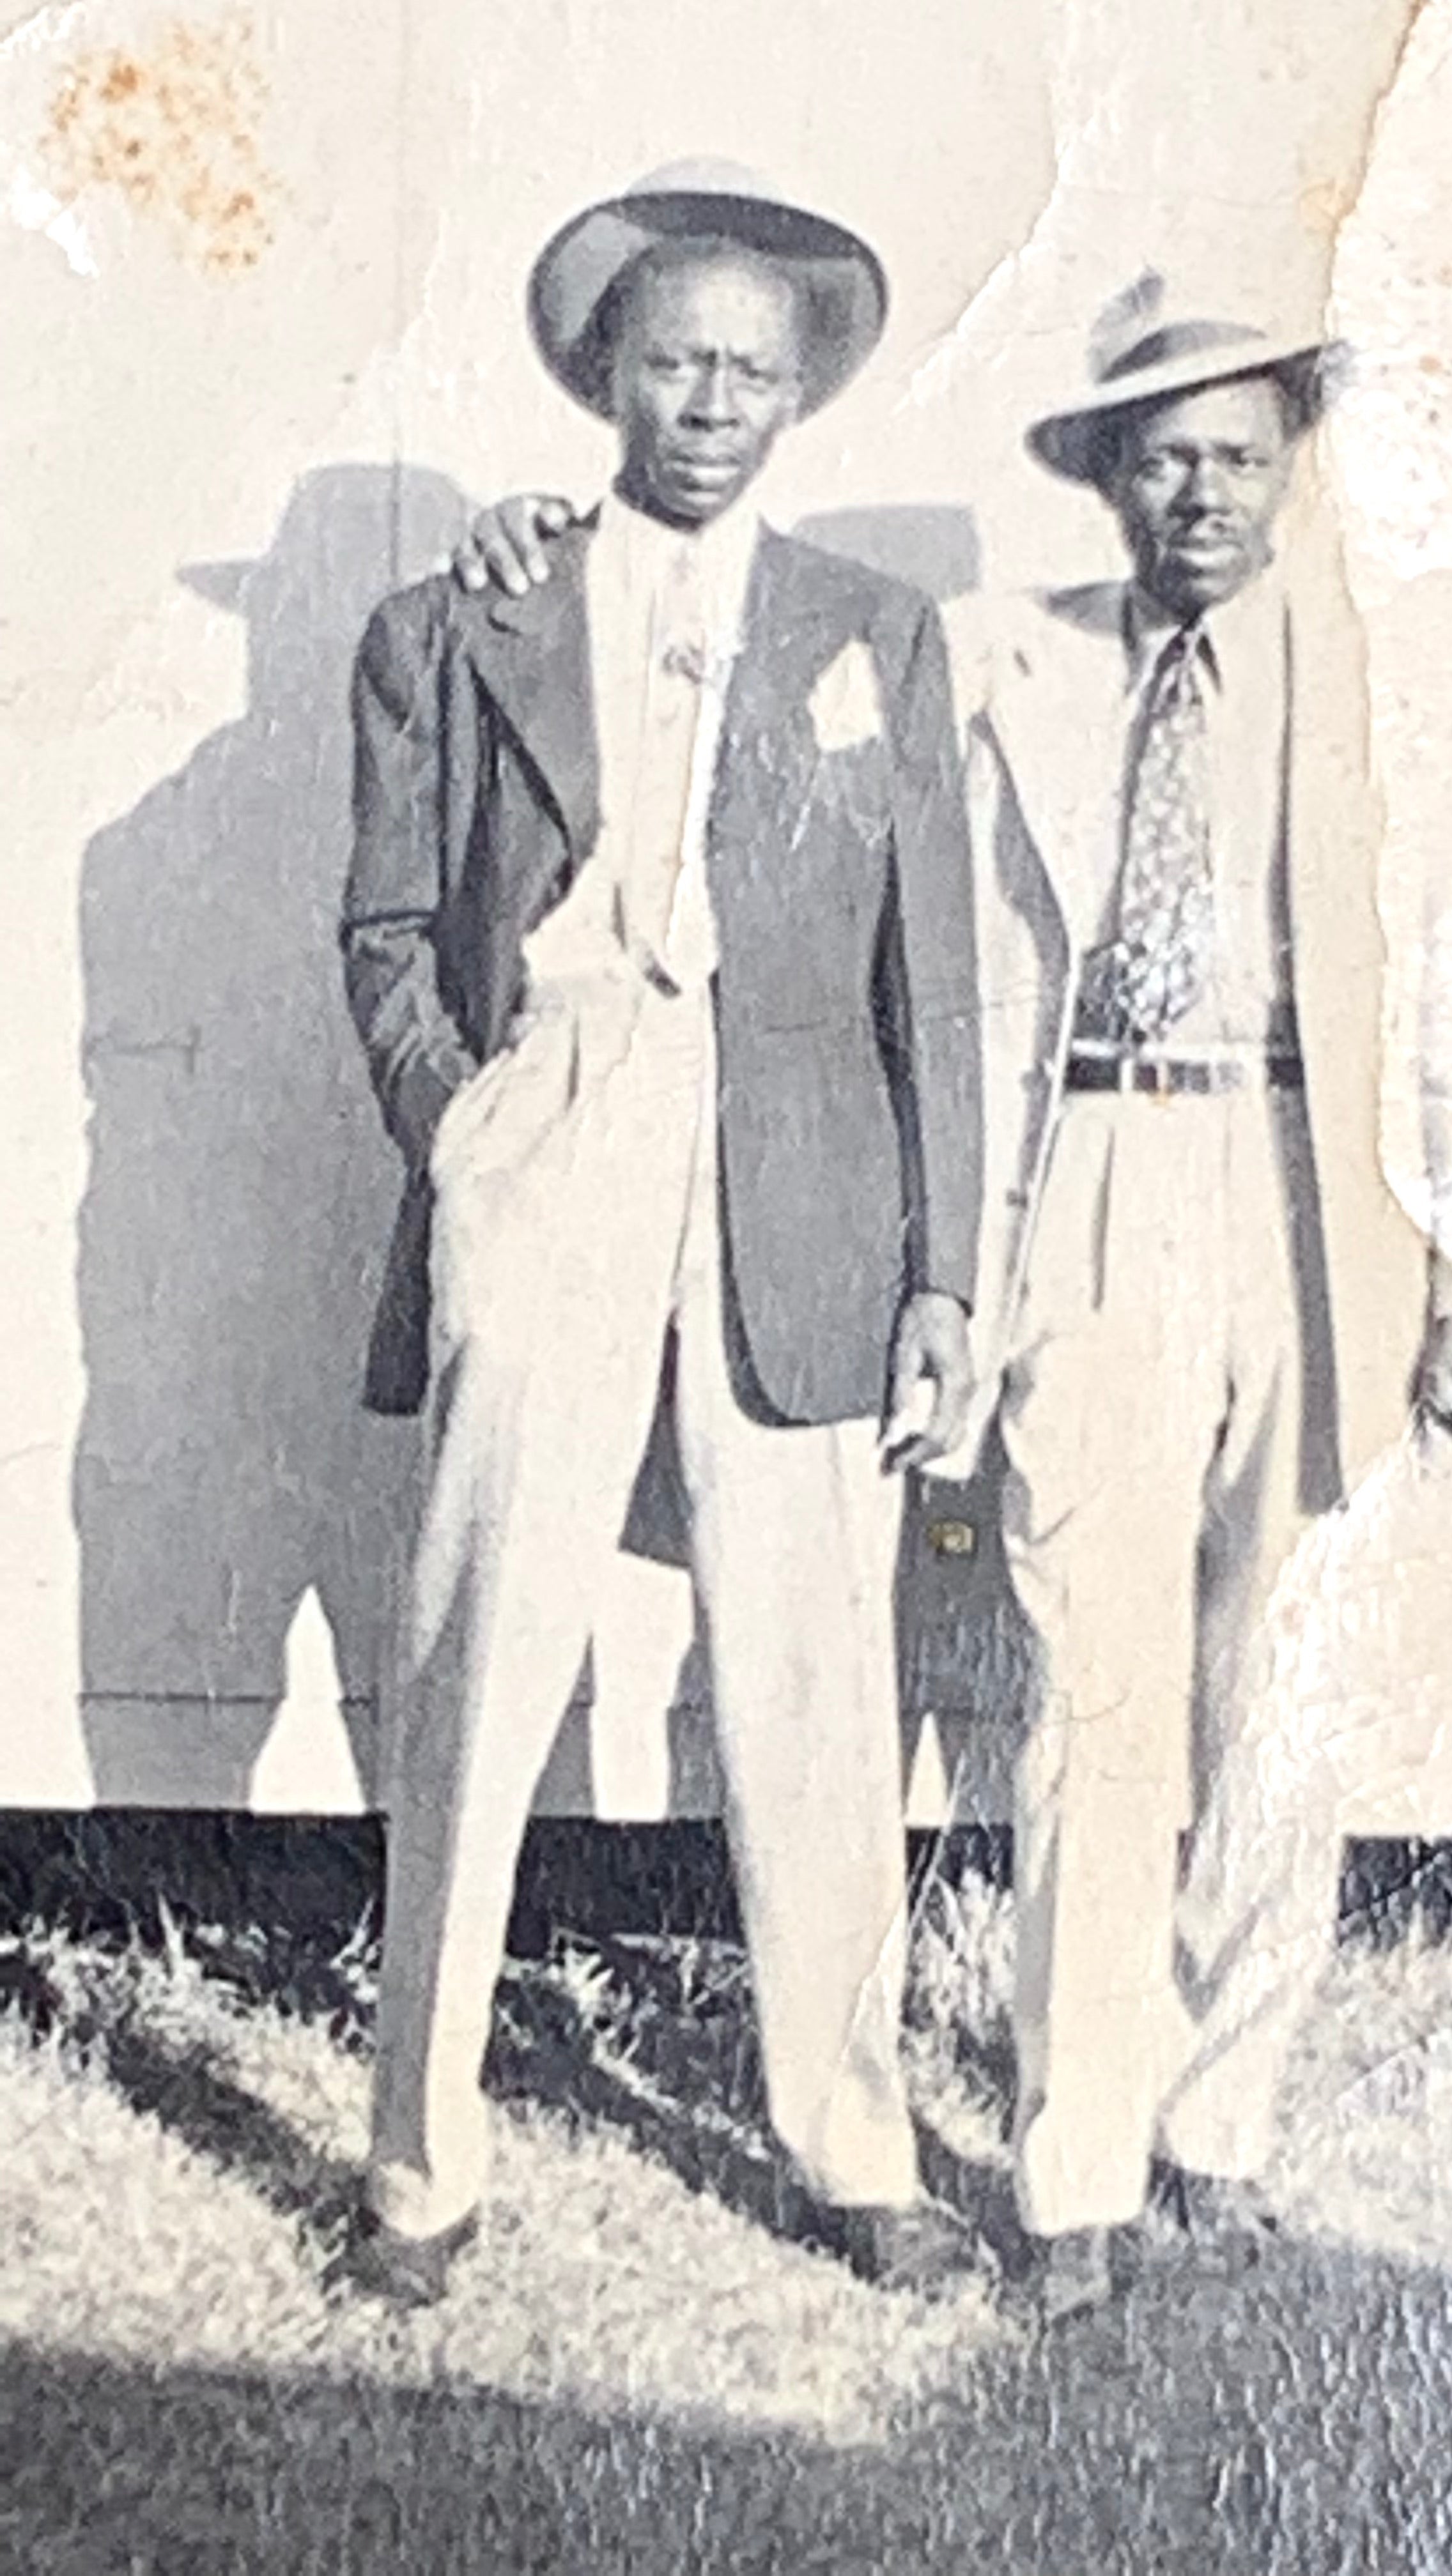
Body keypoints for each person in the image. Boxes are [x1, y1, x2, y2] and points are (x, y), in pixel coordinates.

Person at [455, 275, 1452, 2324]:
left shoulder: (1389, 688)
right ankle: (1080, 2177)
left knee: (1278, 1708)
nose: (1200, 491)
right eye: (1163, 456)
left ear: (1293, 461)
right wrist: (532, 541)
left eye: (1237, 452)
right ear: (1109, 477)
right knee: (1093, 1703)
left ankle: (1219, 2133)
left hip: (1311, 1203)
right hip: (1086, 1200)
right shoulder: (995, 660)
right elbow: (749, 701)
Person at [339, 160, 983, 2306]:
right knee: (476, 1655)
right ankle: (418, 2172)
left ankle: (851, 2142)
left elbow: (940, 991)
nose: (710, 397)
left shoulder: (874, 634)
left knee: (808, 1675)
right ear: (609, 369)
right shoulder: (462, 616)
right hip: (565, 1126)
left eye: (752, 368)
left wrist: (944, 1277)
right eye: (675, 356)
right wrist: (466, 1131)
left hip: (800, 1170)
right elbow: (382, 931)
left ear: (800, 399)